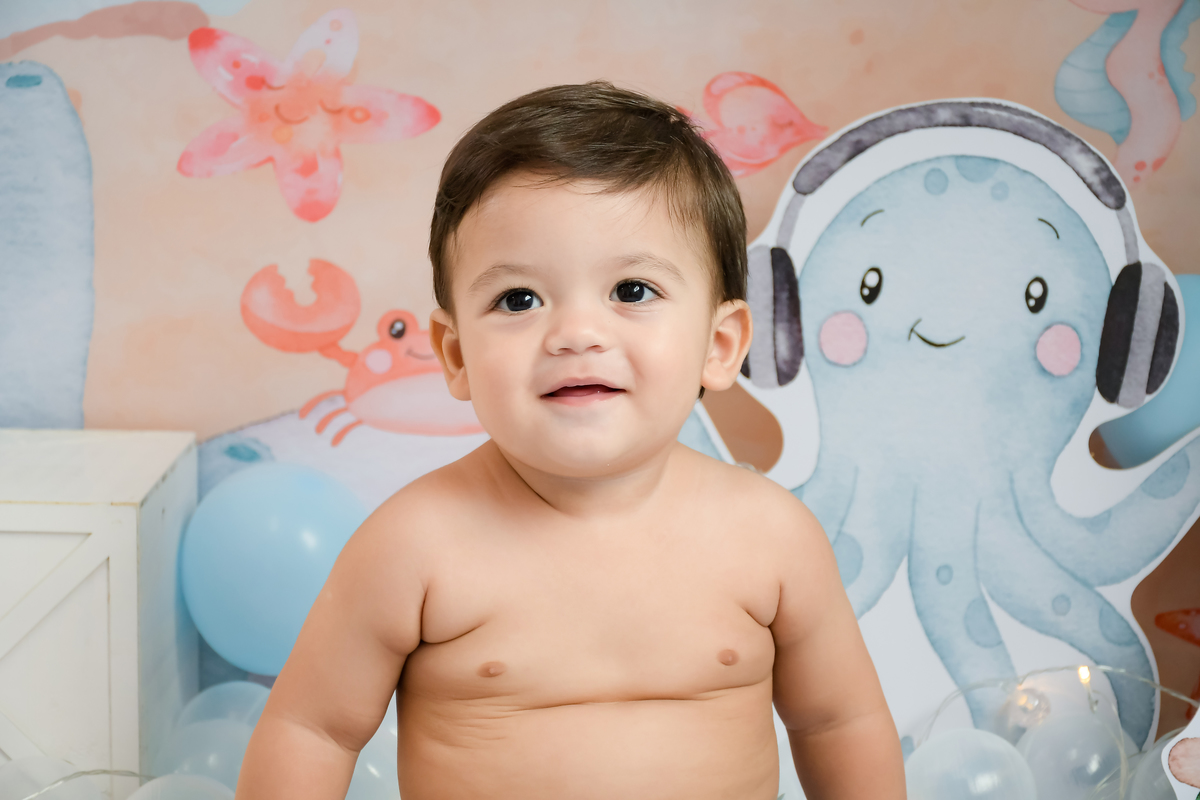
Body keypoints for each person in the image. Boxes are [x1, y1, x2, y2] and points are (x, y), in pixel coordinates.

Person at [236, 81, 905, 800]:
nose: (576, 334)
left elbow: (839, 722)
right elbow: (313, 730)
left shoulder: (770, 536)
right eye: (519, 299)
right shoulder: (414, 545)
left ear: (719, 346)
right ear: (456, 356)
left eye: (632, 291)